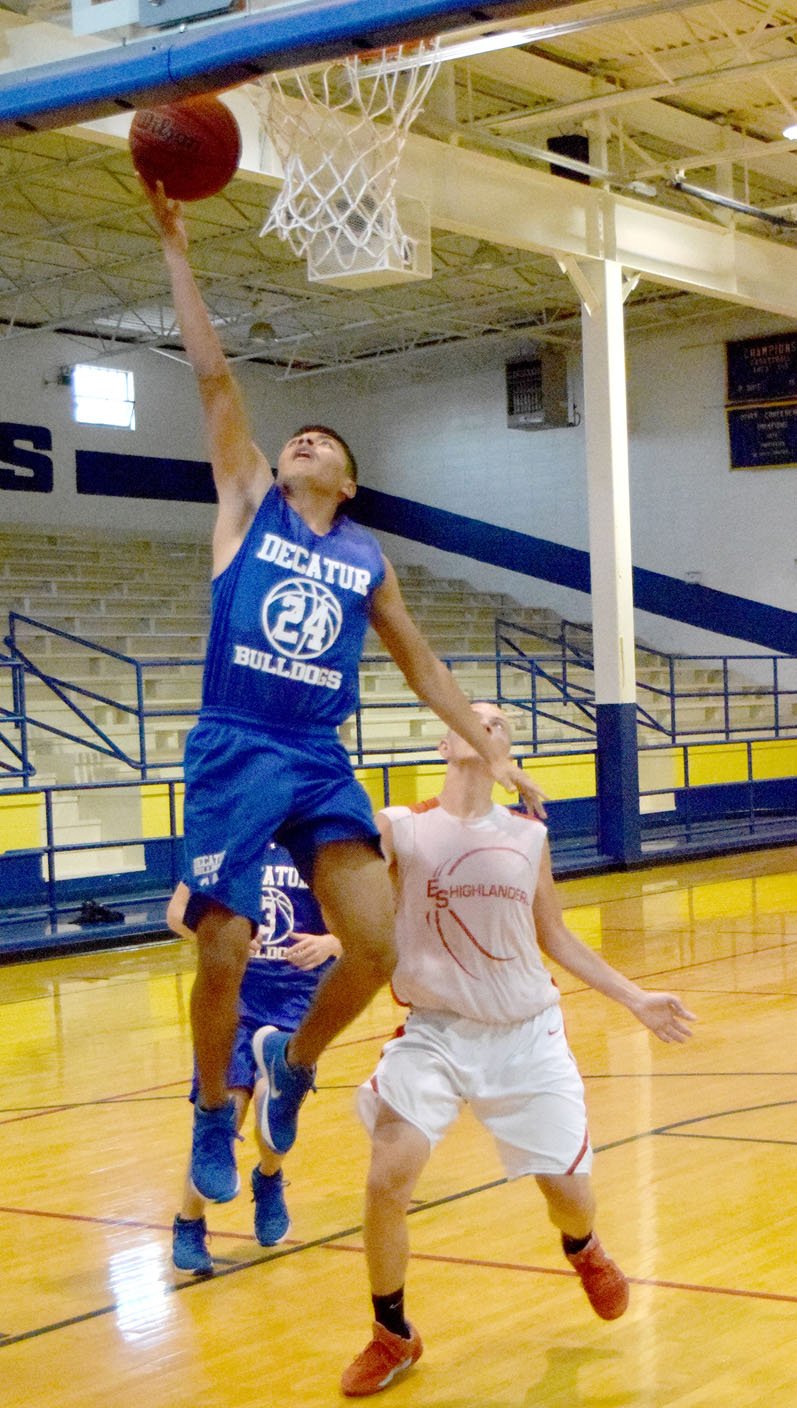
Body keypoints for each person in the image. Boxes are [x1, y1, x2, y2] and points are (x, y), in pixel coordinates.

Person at [144, 180, 547, 1210]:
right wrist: (175, 245)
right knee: (225, 943)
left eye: (325, 441)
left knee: (376, 945)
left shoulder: (366, 558)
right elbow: (213, 379)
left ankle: (293, 1065)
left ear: (351, 483)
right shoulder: (247, 506)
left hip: (316, 750)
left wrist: (496, 757)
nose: (304, 439)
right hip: (238, 743)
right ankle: (207, 1110)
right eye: (297, 437)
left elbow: (421, 667)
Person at [341, 701, 696, 1397]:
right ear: (445, 740)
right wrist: (335, 941)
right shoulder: (400, 827)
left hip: (525, 1034)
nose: (483, 725)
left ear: (506, 746)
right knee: (388, 1176)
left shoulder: (526, 837)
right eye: (469, 717)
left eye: (497, 721)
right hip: (437, 1033)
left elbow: (555, 938)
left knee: (567, 1195)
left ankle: (582, 1246)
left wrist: (635, 998)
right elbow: (365, 905)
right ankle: (391, 1334)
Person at [168, 841, 341, 1274]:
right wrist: (221, 938)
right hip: (234, 997)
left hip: (297, 1000)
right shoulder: (232, 843)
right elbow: (177, 914)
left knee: (273, 1104)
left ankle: (268, 1179)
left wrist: (330, 944)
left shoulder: (318, 845)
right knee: (225, 1113)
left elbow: (363, 925)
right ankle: (189, 1221)